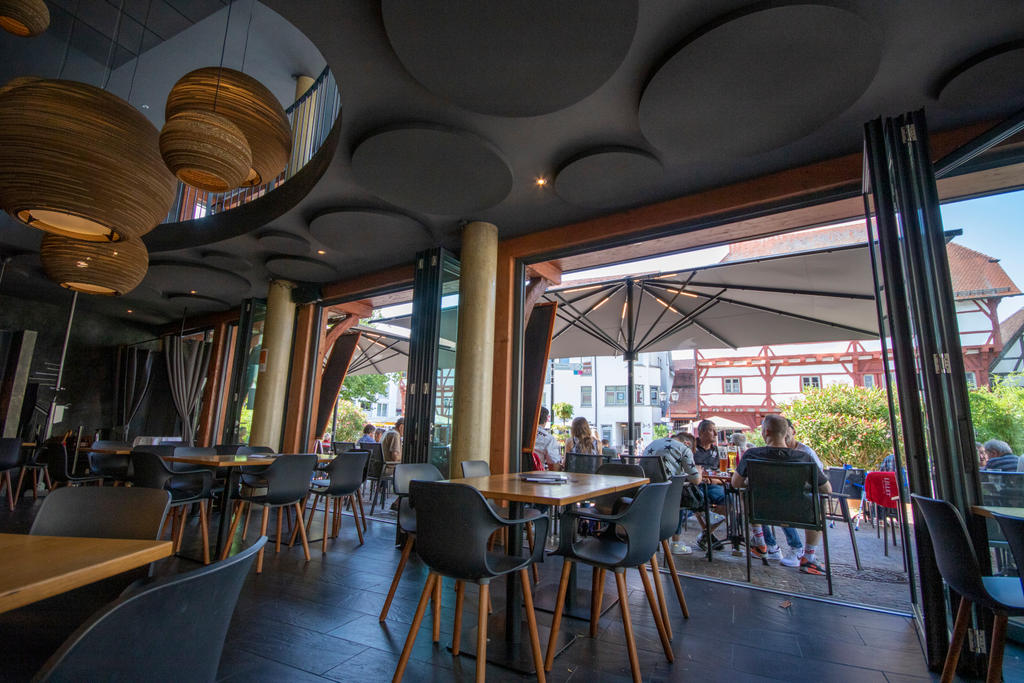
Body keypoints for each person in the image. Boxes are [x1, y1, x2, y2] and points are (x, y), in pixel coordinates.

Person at [732, 414, 832, 576]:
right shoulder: (804, 458)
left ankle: (760, 540)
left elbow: (736, 483)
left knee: (745, 494)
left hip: (761, 512)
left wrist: (753, 482)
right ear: (786, 433)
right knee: (818, 502)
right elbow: (826, 489)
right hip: (800, 515)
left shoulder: (751, 455)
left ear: (766, 432)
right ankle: (808, 557)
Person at [642, 431, 702, 554]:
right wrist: (699, 471)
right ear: (687, 443)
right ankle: (676, 542)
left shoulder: (652, 443)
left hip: (646, 495)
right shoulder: (683, 448)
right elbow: (696, 480)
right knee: (684, 496)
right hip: (668, 499)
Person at [691, 419, 726, 550]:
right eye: (712, 430)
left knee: (728, 499)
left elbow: (721, 471)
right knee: (699, 499)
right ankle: (708, 536)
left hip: (713, 484)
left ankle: (706, 534)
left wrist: (714, 480)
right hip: (695, 484)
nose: (716, 434)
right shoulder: (692, 447)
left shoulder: (717, 450)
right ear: (702, 432)